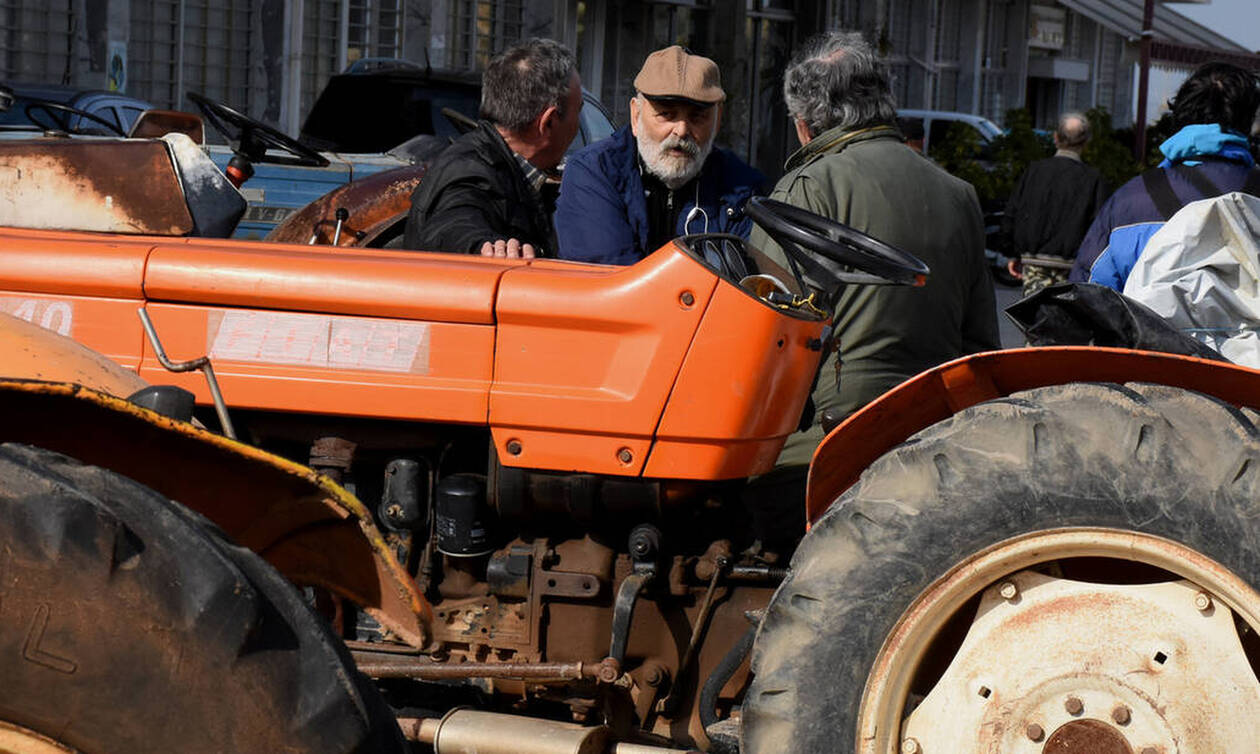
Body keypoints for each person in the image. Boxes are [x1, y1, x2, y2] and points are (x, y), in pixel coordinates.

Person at [750, 30, 999, 480]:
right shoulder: (959, 195)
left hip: (822, 450)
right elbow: (979, 344)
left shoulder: (806, 188)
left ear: (805, 123)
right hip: (931, 438)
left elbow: (759, 342)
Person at [553, 46, 766, 265]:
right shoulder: (594, 173)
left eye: (697, 117)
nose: (681, 130)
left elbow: (750, 283)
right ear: (636, 115)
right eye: (666, 114)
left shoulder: (742, 187)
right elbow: (611, 280)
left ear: (717, 120)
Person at [1072, 61, 1260, 289]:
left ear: (1179, 115)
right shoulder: (1255, 196)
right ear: (1249, 122)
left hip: (1147, 324)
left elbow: (1089, 294)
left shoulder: (1130, 200)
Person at [403, 38, 581, 258]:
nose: (578, 125)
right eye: (578, 111)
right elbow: (454, 223)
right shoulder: (469, 174)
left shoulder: (514, 168)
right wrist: (484, 248)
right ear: (549, 122)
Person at [1002, 112, 1107, 297]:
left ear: (1056, 137)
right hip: (1073, 266)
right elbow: (1099, 226)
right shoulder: (1093, 179)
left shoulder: (1035, 171)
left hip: (1034, 260)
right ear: (1085, 142)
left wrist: (1011, 252)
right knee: (1065, 322)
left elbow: (1013, 212)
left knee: (1035, 318)